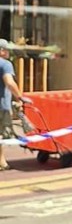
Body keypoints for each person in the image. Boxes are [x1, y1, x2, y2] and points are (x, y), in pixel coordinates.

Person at [0, 40, 28, 170]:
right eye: (6, 50)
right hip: (1, 107)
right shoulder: (5, 64)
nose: (8, 53)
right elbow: (9, 83)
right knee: (1, 135)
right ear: (1, 51)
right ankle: (2, 162)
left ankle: (2, 161)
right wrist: (20, 97)